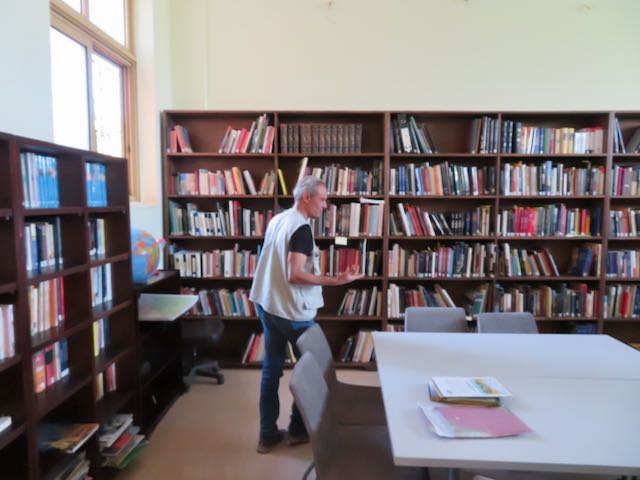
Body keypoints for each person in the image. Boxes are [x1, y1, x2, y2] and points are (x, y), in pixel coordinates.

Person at [249, 175, 363, 454]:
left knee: (271, 372)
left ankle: (267, 435)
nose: (325, 206)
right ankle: (299, 430)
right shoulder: (301, 229)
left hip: (268, 304)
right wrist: (336, 280)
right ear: (306, 197)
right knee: (316, 369)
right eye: (322, 200)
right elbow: (295, 275)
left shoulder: (278, 219)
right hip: (291, 313)